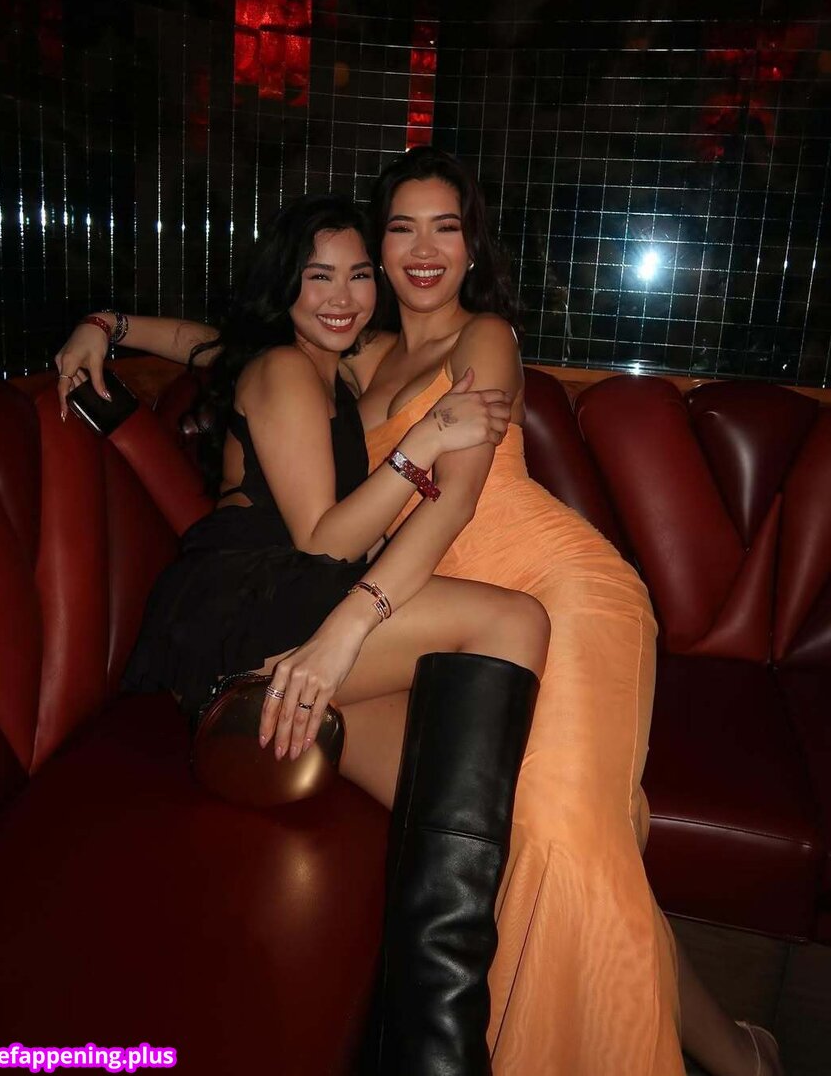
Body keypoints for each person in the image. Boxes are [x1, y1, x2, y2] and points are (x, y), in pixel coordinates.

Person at [55, 156, 784, 1076]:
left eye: (446, 226)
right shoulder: (354, 354)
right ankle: (737, 1055)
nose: (423, 248)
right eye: (401, 228)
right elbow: (232, 346)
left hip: (552, 592)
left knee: (563, 833)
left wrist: (346, 628)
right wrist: (108, 324)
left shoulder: (484, 337)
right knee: (532, 834)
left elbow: (456, 500)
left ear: (472, 245)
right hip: (424, 613)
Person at [59, 192, 552, 1076]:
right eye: (317, 276)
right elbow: (326, 541)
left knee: (467, 807)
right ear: (285, 285)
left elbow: (195, 340)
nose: (341, 296)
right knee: (510, 618)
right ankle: (437, 1057)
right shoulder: (286, 368)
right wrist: (424, 440)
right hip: (245, 600)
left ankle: (425, 1045)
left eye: (358, 276)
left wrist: (108, 322)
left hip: (283, 608)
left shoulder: (326, 364)